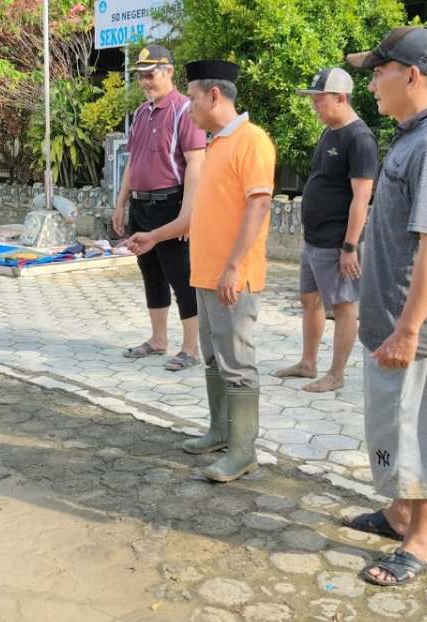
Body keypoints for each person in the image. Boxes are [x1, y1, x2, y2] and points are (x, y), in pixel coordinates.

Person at [342, 26, 427, 586]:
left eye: (378, 71)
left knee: (420, 430)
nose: (370, 83)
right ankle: (399, 515)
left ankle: (421, 544)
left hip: (409, 325)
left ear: (411, 75)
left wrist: (409, 328)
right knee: (394, 427)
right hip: (390, 320)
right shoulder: (413, 136)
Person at [127, 60, 275, 482]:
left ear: (214, 95)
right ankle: (221, 432)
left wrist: (233, 267)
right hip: (205, 276)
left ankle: (243, 451)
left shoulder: (252, 141)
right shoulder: (215, 146)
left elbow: (260, 205)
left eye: (192, 97)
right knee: (214, 359)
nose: (188, 106)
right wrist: (153, 236)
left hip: (233, 279)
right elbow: (195, 216)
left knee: (237, 363)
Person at [273, 68, 377, 392]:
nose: (314, 106)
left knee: (344, 307)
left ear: (340, 98)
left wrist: (349, 247)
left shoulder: (359, 138)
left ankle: (336, 374)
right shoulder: (329, 131)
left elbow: (361, 198)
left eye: (319, 100)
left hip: (335, 242)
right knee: (309, 299)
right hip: (313, 238)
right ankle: (308, 362)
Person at [111, 44, 206, 372]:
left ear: (168, 71)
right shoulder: (140, 113)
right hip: (141, 204)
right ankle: (158, 339)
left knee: (182, 276)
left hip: (171, 204)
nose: (145, 82)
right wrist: (121, 202)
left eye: (150, 75)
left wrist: (187, 215)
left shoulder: (185, 110)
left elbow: (196, 163)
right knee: (150, 270)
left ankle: (191, 347)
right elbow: (132, 161)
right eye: (141, 77)